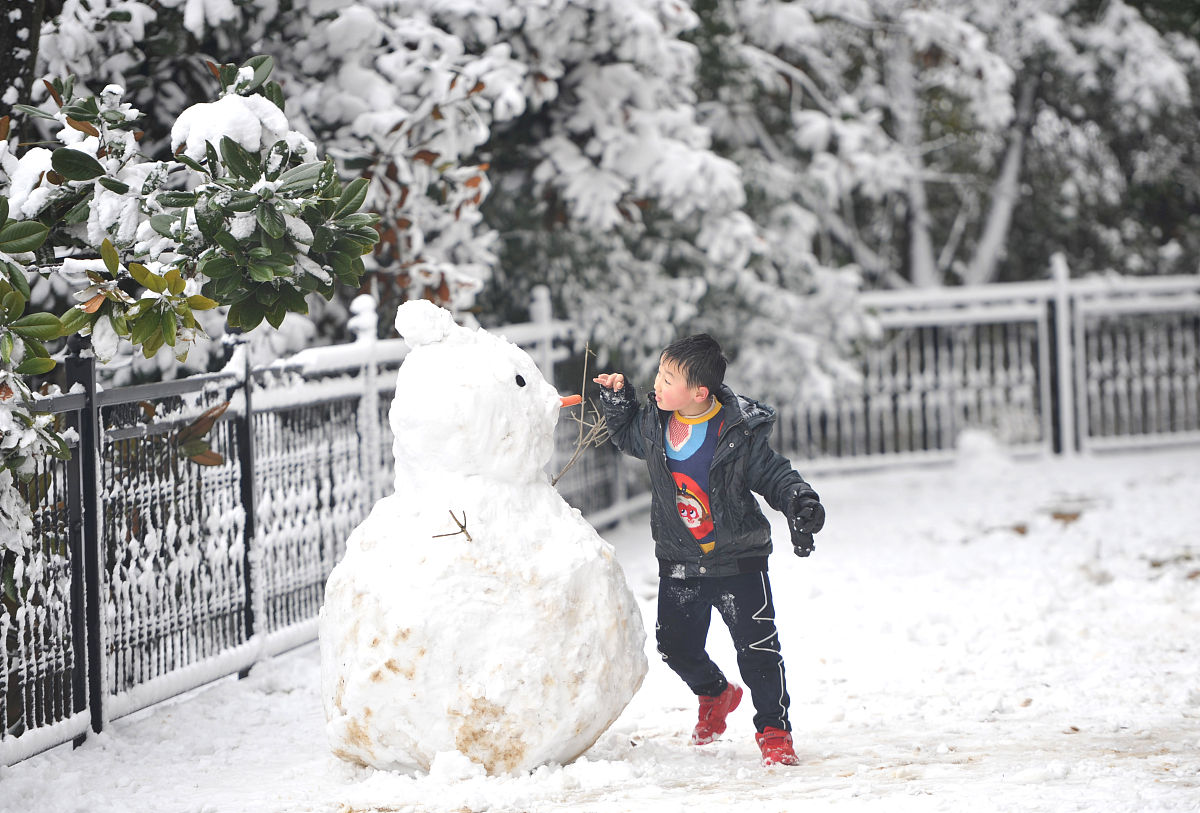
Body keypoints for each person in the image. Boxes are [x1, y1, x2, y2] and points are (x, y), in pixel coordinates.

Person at [593, 333, 825, 767]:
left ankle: (774, 730)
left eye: (667, 378)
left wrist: (799, 500)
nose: (656, 385)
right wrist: (618, 399)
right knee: (674, 646)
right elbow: (625, 437)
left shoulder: (737, 432)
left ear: (699, 392)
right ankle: (716, 693)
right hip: (679, 560)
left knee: (758, 651)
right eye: (658, 375)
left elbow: (773, 474)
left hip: (738, 561)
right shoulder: (654, 422)